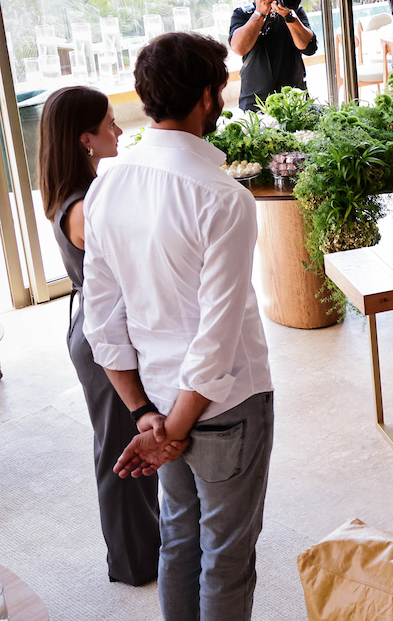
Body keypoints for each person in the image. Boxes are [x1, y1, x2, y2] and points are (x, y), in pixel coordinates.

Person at [83, 32, 274, 618]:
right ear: (205, 97)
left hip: (159, 400)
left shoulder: (108, 182)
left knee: (180, 541)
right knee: (225, 558)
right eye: (218, 89)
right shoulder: (224, 197)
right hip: (224, 408)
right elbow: (216, 346)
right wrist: (168, 433)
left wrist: (149, 417)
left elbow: (103, 323)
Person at [37, 86, 160, 587]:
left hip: (98, 327)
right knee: (120, 450)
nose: (120, 131)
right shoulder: (85, 207)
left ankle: (146, 548)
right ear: (85, 138)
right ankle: (132, 564)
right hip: (103, 337)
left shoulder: (80, 192)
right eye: (110, 124)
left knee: (127, 444)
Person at [229, 0, 318, 110]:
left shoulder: (293, 11)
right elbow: (238, 48)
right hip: (256, 102)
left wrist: (289, 16)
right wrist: (259, 14)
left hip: (294, 99)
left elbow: (308, 47)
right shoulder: (242, 14)